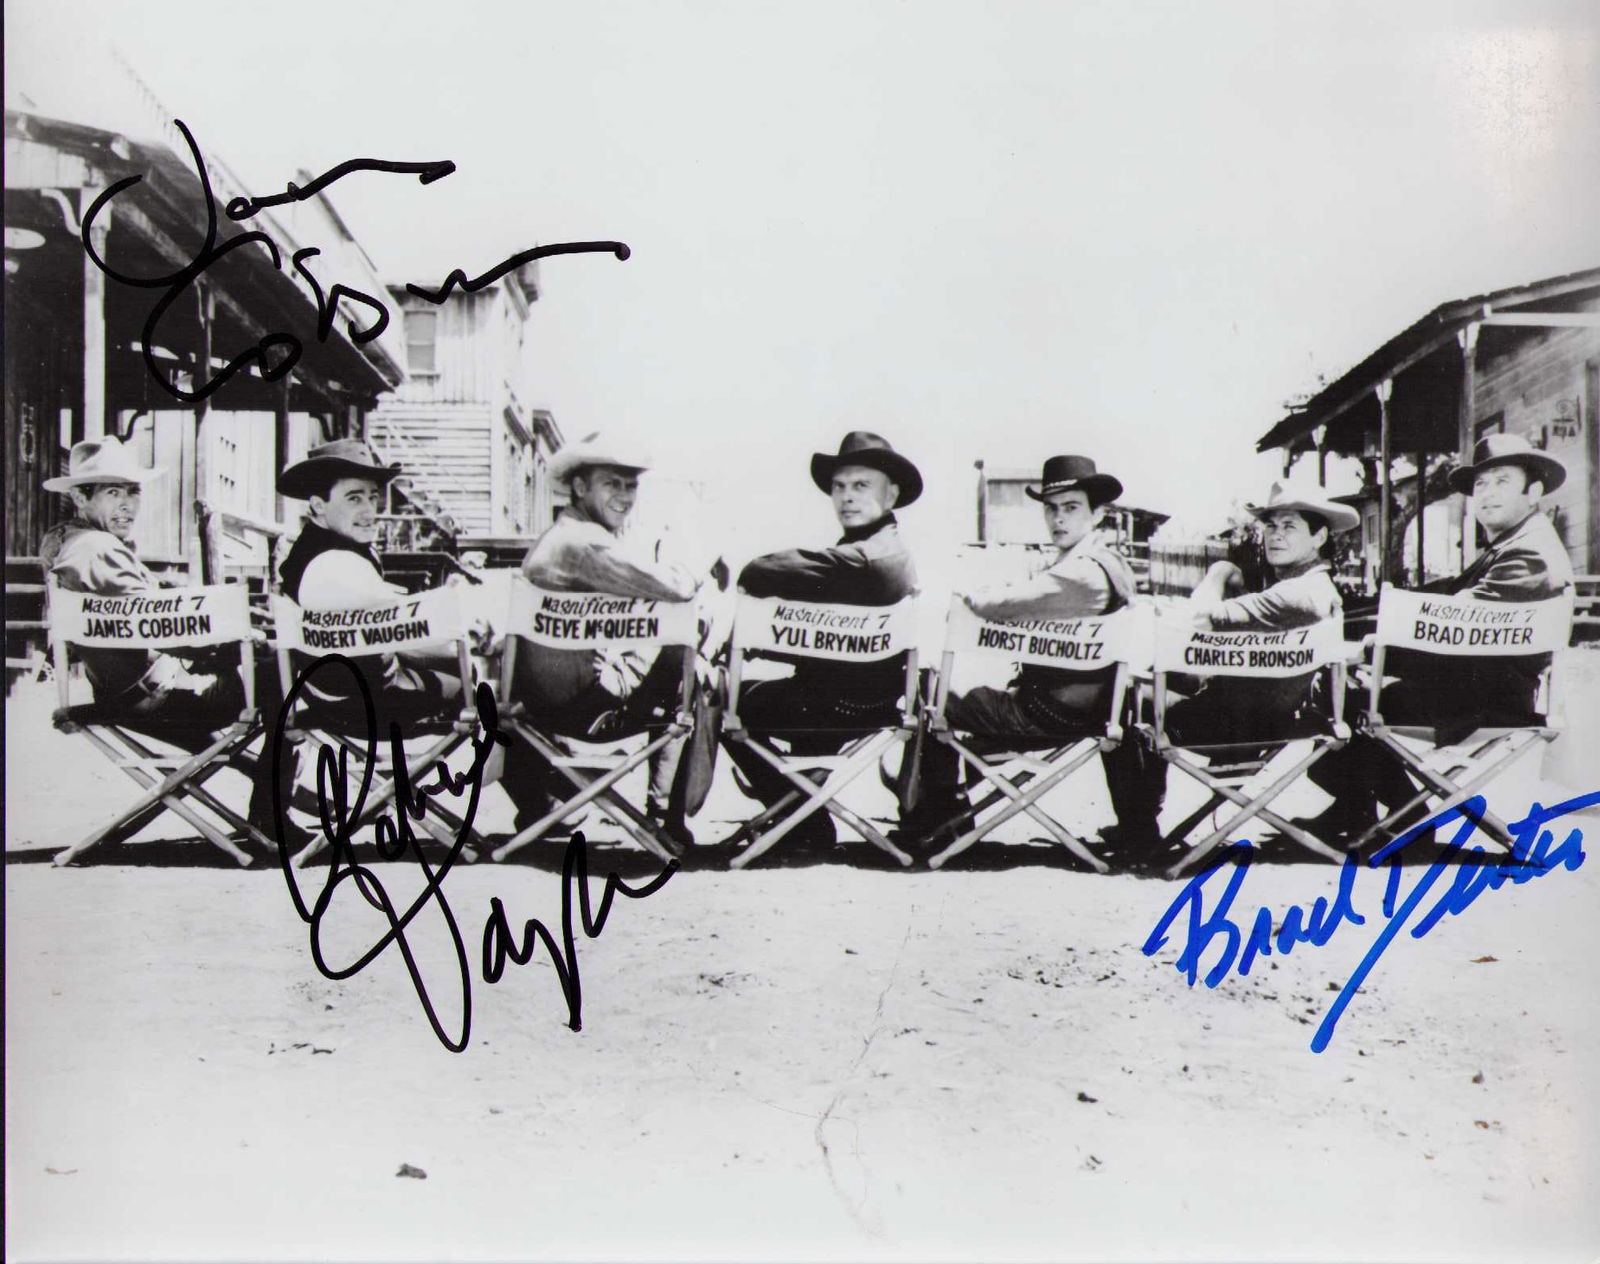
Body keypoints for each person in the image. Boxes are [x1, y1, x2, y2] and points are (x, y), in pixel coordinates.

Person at [1300, 433, 1575, 841]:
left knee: (1343, 693)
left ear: (1533, 491)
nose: (1486, 494)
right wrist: (1373, 618)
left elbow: (1456, 629)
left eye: (1501, 481)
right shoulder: (1511, 545)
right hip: (1476, 687)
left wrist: (1371, 650)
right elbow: (1451, 597)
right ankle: (1370, 811)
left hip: (1488, 699)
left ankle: (1390, 814)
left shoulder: (1528, 554)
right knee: (1346, 689)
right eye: (1480, 484)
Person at [41, 435, 279, 828]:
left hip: (126, 690)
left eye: (133, 492)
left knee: (264, 660)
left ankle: (279, 797)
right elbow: (164, 622)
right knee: (281, 671)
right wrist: (238, 639)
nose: (127, 505)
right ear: (82, 499)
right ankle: (272, 818)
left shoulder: (65, 542)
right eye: (112, 493)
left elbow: (148, 612)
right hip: (158, 698)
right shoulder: (97, 551)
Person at [1105, 483, 1359, 851]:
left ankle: (1138, 829)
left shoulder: (1298, 595)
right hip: (1263, 713)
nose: (1275, 536)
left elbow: (1199, 617)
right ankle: (1139, 825)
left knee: (1123, 696)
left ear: (1319, 536)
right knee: (1152, 680)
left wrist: (1219, 572)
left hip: (1238, 727)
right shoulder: (1314, 589)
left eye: (1289, 526)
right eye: (1270, 526)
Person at [911, 454, 1141, 840]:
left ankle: (939, 819)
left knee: (931, 690)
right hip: (1090, 706)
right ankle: (945, 806)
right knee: (965, 696)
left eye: (1071, 509)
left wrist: (969, 593)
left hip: (1048, 712)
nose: (1058, 520)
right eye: (1051, 510)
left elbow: (997, 605)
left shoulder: (1082, 573)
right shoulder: (1109, 562)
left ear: (1098, 514)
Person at [500, 433, 711, 849]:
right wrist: (696, 566)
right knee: (692, 664)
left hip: (538, 707)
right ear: (580, 488)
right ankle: (668, 816)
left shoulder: (558, 538)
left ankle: (543, 806)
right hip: (585, 712)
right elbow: (675, 587)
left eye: (631, 485)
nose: (625, 496)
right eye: (612, 484)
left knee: (672, 647)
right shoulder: (585, 544)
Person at [726, 431, 921, 848]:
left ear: (891, 496)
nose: (846, 497)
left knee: (720, 701)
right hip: (866, 695)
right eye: (839, 487)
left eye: (860, 486)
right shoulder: (882, 548)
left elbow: (758, 571)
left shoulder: (864, 557)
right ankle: (800, 811)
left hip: (837, 703)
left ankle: (796, 814)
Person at [277, 438, 464, 729]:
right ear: (318, 504)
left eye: (372, 497)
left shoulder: (310, 550)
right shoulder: (335, 565)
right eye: (354, 498)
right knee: (482, 691)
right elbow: (413, 636)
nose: (369, 510)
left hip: (331, 696)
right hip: (366, 704)